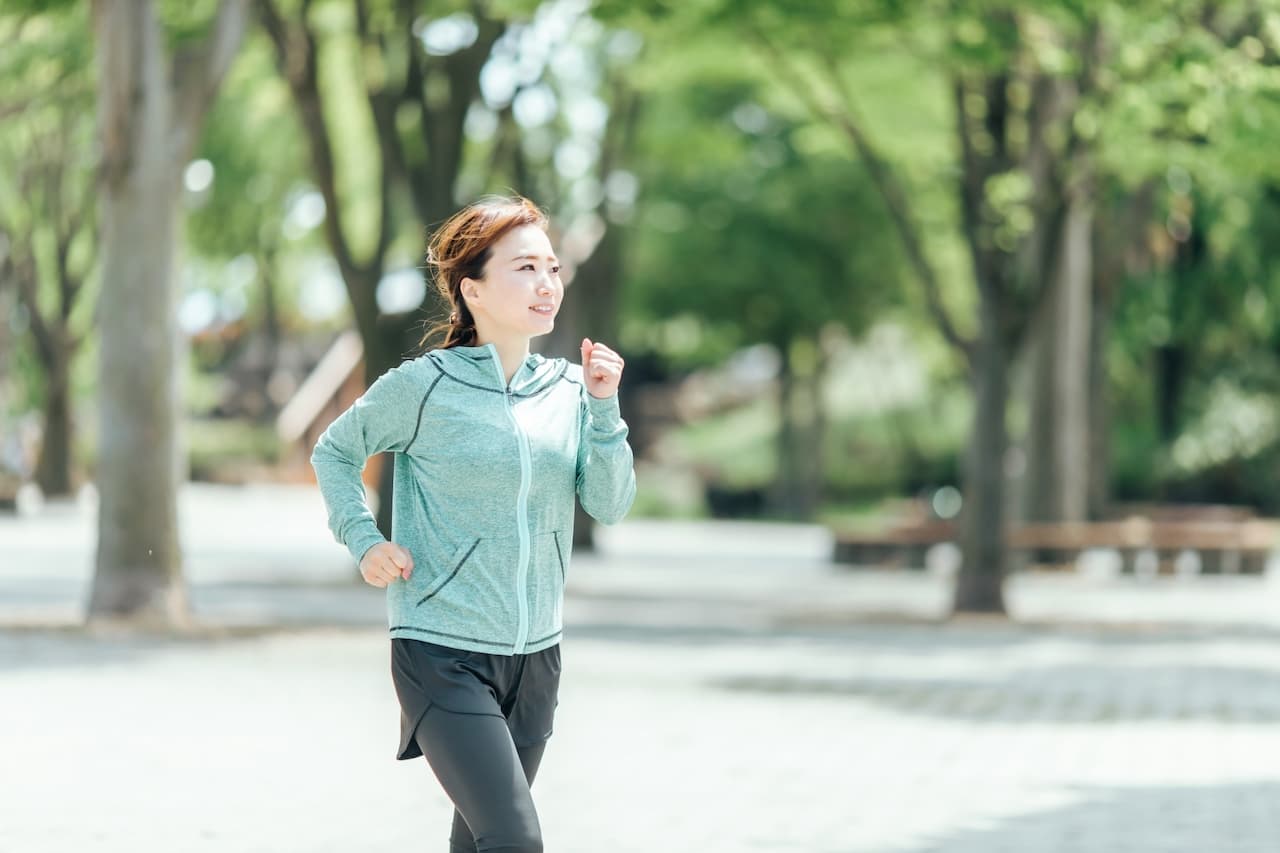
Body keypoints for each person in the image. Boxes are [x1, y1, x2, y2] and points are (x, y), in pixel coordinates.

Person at [310, 195, 637, 853]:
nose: (546, 283)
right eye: (524, 268)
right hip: (442, 650)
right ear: (474, 289)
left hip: (537, 657)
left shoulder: (570, 390)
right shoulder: (423, 385)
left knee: (483, 843)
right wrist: (364, 539)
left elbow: (609, 502)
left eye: (551, 267)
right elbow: (335, 450)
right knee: (514, 840)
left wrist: (604, 410)